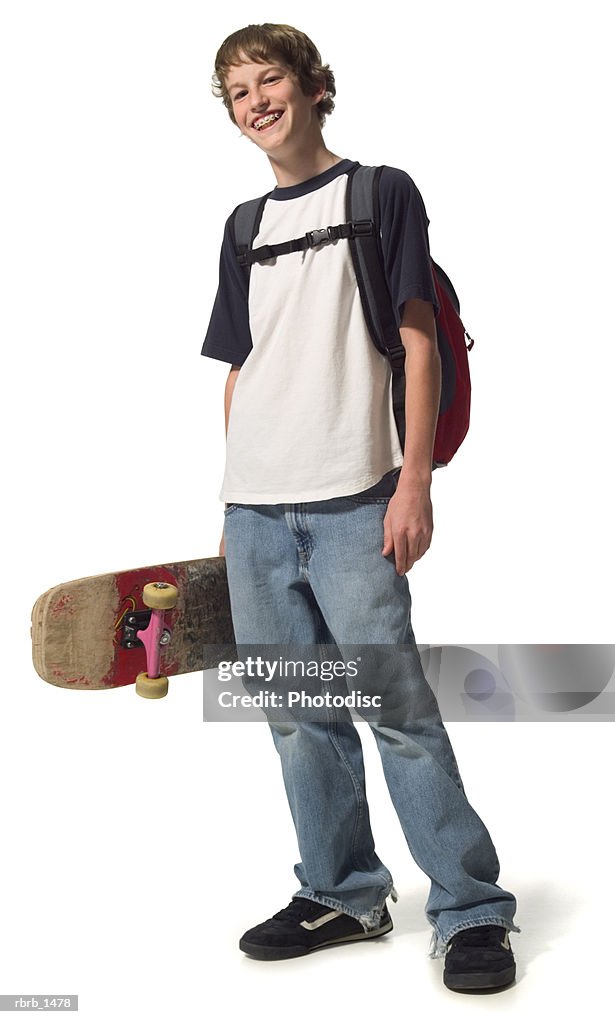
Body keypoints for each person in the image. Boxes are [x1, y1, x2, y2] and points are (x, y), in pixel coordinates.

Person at [201, 22, 520, 992]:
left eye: (269, 80)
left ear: (310, 85)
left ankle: (470, 909)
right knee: (300, 715)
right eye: (237, 90)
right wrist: (234, 501)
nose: (256, 101)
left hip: (355, 500)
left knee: (397, 709)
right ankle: (344, 891)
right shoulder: (243, 226)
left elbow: (418, 343)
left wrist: (413, 483)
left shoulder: (382, 193)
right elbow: (243, 364)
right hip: (256, 511)